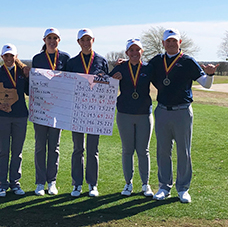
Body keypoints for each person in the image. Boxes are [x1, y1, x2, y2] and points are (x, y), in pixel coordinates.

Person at [149, 28, 219, 203]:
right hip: (163, 110)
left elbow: (206, 84)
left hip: (182, 111)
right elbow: (141, 71)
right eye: (168, 41)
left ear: (180, 43)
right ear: (163, 43)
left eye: (174, 41)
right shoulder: (157, 60)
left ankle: (183, 188)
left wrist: (210, 74)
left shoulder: (188, 61)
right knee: (163, 151)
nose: (171, 44)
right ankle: (164, 186)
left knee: (184, 151)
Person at [66, 28, 109, 197]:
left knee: (93, 150)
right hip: (77, 110)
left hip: (95, 112)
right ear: (78, 42)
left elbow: (107, 84)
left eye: (88, 39)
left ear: (93, 40)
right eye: (82, 40)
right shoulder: (72, 62)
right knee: (78, 149)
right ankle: (77, 184)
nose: (85, 42)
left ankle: (92, 184)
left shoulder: (101, 60)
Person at [109, 39, 154, 197]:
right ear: (127, 53)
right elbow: (106, 84)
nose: (135, 53)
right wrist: (114, 76)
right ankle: (128, 184)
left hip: (144, 114)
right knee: (127, 150)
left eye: (138, 50)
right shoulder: (120, 67)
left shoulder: (149, 68)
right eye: (131, 50)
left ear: (142, 52)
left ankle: (145, 184)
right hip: (124, 114)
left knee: (143, 151)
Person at [31, 28, 70, 196]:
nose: (52, 41)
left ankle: (52, 182)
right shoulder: (37, 58)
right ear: (44, 40)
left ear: (59, 40)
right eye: (49, 38)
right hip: (41, 109)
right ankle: (40, 182)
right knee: (40, 146)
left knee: (54, 147)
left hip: (58, 109)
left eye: (55, 38)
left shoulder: (66, 58)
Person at [0, 43, 29, 197]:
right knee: (3, 151)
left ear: (15, 57)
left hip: (20, 116)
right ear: (2, 57)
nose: (9, 58)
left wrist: (29, 76)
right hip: (3, 117)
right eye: (6, 56)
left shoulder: (22, 73)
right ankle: (2, 184)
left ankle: (15, 183)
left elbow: (29, 91)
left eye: (12, 56)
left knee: (17, 152)